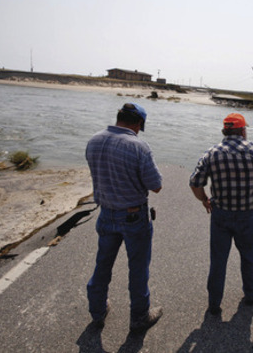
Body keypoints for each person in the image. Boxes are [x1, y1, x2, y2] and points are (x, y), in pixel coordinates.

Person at [189, 112, 253, 315]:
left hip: (221, 215)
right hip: (247, 215)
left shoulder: (211, 153)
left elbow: (195, 183)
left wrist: (204, 200)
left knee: (218, 260)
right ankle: (249, 296)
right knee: (248, 256)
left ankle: (214, 304)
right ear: (242, 131)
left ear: (225, 131)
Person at [85, 103, 163, 333]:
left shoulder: (94, 140)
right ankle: (139, 316)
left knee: (103, 264)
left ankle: (97, 310)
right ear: (139, 124)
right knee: (138, 268)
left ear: (119, 117)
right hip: (133, 216)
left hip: (105, 213)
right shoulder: (138, 146)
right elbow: (156, 185)